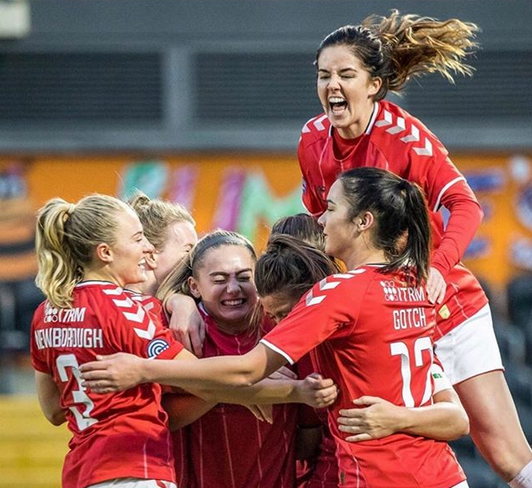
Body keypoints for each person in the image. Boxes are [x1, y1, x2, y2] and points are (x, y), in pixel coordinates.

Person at [81, 168, 470, 488]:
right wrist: (176, 299)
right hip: (443, 475)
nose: (321, 218)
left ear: (362, 222)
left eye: (331, 208)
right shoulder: (410, 288)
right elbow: (456, 417)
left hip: (380, 475)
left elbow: (249, 369)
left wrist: (141, 369)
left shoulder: (337, 293)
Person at [297, 11, 532, 487]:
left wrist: (439, 268)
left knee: (508, 458)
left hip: (446, 309)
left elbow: (465, 205)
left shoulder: (406, 139)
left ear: (375, 85)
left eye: (346, 75)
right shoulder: (310, 141)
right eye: (324, 76)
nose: (332, 86)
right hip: (378, 317)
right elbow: (319, 227)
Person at [157, 229, 337, 488]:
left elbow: (308, 439)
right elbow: (165, 417)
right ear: (194, 287)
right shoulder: (178, 330)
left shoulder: (283, 328)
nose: (233, 289)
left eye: (244, 277)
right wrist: (244, 388)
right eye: (219, 280)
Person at [30, 195, 185, 488]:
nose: (148, 248)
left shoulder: (44, 313)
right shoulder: (126, 307)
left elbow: (53, 410)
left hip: (82, 472)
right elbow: (198, 376)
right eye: (138, 238)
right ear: (105, 252)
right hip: (136, 468)